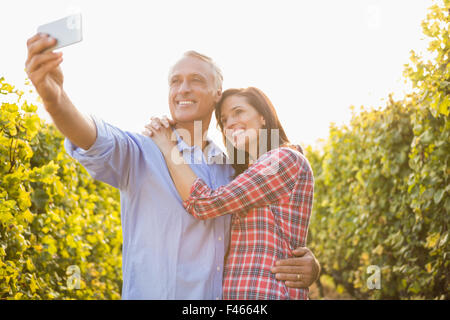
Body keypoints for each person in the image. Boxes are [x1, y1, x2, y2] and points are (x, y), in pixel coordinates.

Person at [24, 33, 320, 299]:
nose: (183, 89)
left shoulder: (232, 170)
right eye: (175, 81)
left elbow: (267, 232)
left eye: (196, 80)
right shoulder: (141, 150)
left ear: (217, 95)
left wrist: (309, 265)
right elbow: (92, 137)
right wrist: (55, 99)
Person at [144, 87, 314, 299]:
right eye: (224, 120)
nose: (230, 123)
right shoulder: (246, 173)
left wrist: (168, 148)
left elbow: (204, 203)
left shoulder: (284, 159)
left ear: (263, 116)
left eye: (238, 112)